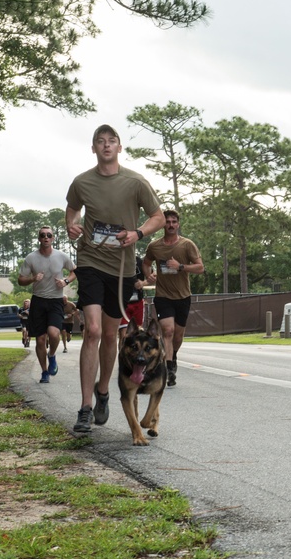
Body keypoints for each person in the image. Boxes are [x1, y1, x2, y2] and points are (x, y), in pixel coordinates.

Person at [66, 124, 164, 433]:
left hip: (121, 267)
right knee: (92, 331)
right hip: (90, 261)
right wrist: (72, 225)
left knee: (110, 336)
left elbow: (158, 217)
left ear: (119, 148)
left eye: (112, 141)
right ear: (93, 148)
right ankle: (84, 407)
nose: (106, 146)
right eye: (100, 141)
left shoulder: (135, 182)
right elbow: (72, 211)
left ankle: (104, 391)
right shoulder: (82, 182)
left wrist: (137, 233)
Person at [143, 209, 203, 387]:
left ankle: (173, 355)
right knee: (167, 331)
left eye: (173, 222)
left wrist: (181, 266)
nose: (170, 225)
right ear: (163, 224)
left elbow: (200, 267)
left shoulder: (187, 245)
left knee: (178, 335)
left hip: (183, 296)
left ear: (178, 224)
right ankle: (169, 369)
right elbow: (146, 264)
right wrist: (150, 275)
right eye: (167, 222)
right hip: (163, 296)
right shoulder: (154, 246)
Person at [17, 226, 77, 384]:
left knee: (54, 333)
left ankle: (52, 355)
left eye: (49, 235)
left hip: (56, 300)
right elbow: (20, 279)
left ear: (53, 238)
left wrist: (65, 281)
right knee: (40, 340)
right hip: (38, 300)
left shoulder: (61, 256)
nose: (46, 237)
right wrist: (32, 279)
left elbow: (74, 271)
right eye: (42, 235)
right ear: (39, 238)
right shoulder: (31, 258)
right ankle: (44, 372)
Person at [118, 256, 150, 346]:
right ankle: (123, 357)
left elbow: (151, 277)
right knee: (124, 335)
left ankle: (134, 357)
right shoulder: (117, 259)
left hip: (138, 302)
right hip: (123, 303)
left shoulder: (139, 261)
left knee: (138, 332)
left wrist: (142, 283)